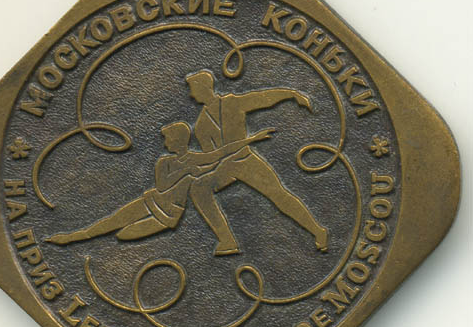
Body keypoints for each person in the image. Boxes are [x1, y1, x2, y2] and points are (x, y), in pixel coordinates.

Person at [46, 121, 273, 245]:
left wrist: (250, 139)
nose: (165, 143)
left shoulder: (196, 159)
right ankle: (71, 238)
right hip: (151, 201)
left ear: (178, 140)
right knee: (109, 223)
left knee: (123, 236)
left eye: (168, 139)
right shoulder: (165, 162)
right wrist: (187, 172)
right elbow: (163, 185)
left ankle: (78, 237)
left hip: (168, 216)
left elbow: (221, 153)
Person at [186, 69, 328, 255]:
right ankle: (227, 241)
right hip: (225, 167)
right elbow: (213, 156)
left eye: (193, 89)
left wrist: (292, 94)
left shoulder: (231, 103)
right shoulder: (201, 125)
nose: (191, 94)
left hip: (246, 160)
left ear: (204, 88)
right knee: (199, 189)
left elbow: (263, 98)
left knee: (279, 196)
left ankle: (318, 231)